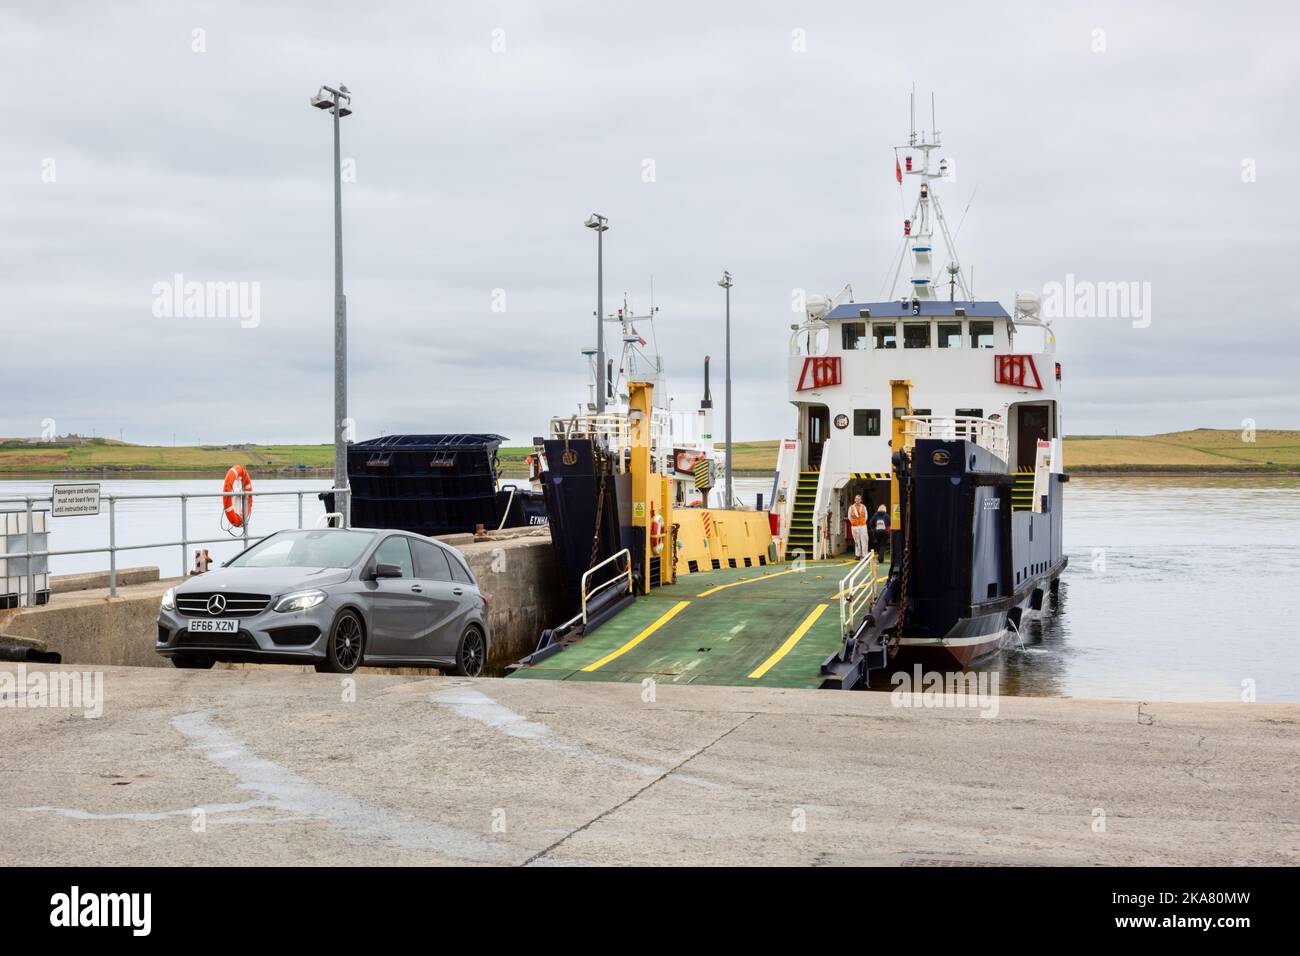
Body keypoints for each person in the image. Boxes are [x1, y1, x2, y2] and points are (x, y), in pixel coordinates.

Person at [847, 494, 869, 558]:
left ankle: (865, 555)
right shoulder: (851, 507)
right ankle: (857, 555)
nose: (857, 500)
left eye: (859, 499)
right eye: (856, 499)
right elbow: (849, 516)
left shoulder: (863, 507)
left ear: (861, 500)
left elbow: (866, 516)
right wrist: (853, 522)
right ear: (854, 499)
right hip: (854, 526)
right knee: (856, 540)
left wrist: (863, 521)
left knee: (864, 540)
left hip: (863, 526)